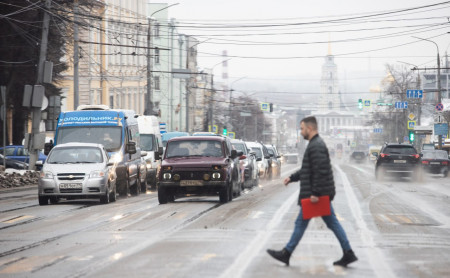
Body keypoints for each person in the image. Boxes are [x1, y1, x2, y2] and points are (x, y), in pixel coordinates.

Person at [267, 116, 357, 267]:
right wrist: (292, 177)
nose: (301, 132)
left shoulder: (316, 146)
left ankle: (286, 253)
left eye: (302, 129)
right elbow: (308, 169)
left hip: (317, 195)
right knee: (329, 223)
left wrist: (315, 193)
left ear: (309, 128)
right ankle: (348, 252)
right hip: (321, 193)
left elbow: (320, 171)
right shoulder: (315, 144)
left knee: (303, 223)